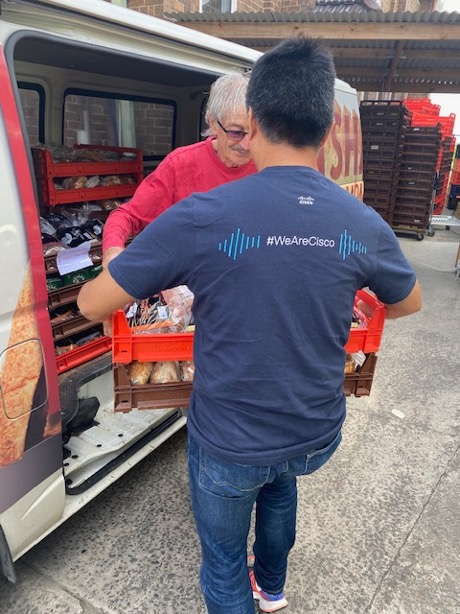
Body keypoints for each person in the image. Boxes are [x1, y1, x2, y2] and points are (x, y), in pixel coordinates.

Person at [78, 36, 422, 614]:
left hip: (231, 436)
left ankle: (252, 589)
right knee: (281, 479)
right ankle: (275, 589)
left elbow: (92, 305)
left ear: (255, 120)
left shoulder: (201, 218)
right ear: (327, 129)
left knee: (221, 560)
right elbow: (407, 303)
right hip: (315, 431)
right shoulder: (359, 220)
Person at [102, 71, 256, 268]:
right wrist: (113, 251)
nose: (246, 145)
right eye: (236, 132)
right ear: (212, 123)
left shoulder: (268, 165)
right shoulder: (181, 165)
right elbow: (127, 216)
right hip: (190, 283)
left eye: (253, 133)